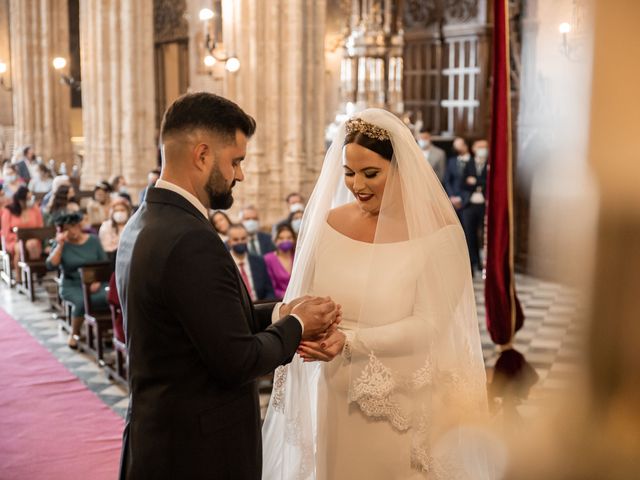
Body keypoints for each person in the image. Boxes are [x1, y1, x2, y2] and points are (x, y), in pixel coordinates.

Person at [115, 92, 341, 479]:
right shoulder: (189, 238)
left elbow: (208, 321)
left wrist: (280, 311)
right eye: (235, 161)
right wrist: (298, 325)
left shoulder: (145, 221)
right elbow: (238, 360)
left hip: (160, 437)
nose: (240, 174)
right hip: (198, 454)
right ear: (202, 155)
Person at [263, 109, 491, 479]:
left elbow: (429, 323)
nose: (357, 185)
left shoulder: (440, 234)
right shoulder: (327, 223)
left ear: (403, 170)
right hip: (330, 387)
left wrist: (350, 340)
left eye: (371, 173)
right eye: (349, 173)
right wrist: (305, 330)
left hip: (399, 398)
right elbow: (303, 298)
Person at [46, 212, 109, 349]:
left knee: (110, 296)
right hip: (72, 285)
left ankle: (106, 331)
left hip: (95, 282)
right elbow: (51, 265)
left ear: (79, 226)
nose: (72, 231)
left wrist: (97, 281)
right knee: (82, 302)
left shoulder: (93, 240)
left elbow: (104, 264)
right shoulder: (61, 244)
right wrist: (60, 245)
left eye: (74, 227)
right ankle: (75, 334)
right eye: (67, 228)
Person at [1, 186, 44, 278]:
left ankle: (33, 273)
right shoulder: (8, 211)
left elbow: (40, 226)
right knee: (21, 248)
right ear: (21, 200)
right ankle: (19, 276)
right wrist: (20, 237)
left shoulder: (34, 209)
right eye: (28, 198)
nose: (30, 201)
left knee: (31, 244)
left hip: (32, 238)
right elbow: (6, 233)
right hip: (14, 240)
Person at [227, 223, 276, 301]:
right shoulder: (226, 264)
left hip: (260, 306)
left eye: (243, 238)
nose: (240, 242)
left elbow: (269, 291)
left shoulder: (259, 261)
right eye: (236, 240)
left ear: (247, 239)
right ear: (229, 242)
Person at [462, 139, 489, 274]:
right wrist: (477, 183)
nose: (483, 149)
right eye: (480, 147)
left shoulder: (490, 164)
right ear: (474, 148)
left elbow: (488, 182)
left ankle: (484, 263)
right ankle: (474, 262)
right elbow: (464, 182)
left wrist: (476, 181)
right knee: (470, 234)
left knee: (484, 234)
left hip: (485, 204)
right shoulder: (469, 163)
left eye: (485, 147)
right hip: (469, 204)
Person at [263, 223, 296, 299]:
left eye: (289, 238)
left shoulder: (298, 257)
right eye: (281, 238)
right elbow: (270, 286)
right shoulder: (268, 259)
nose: (285, 241)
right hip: (278, 300)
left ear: (294, 239)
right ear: (275, 240)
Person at [444, 136, 472, 218]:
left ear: (465, 145)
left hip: (468, 202)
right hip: (453, 200)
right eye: (455, 146)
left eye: (458, 145)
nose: (456, 148)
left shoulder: (473, 161)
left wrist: (464, 199)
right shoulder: (451, 161)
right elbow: (447, 180)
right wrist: (452, 196)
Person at [98, 196, 131, 266]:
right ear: (112, 213)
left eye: (122, 210)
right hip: (112, 260)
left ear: (128, 211)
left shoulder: (132, 225)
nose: (119, 213)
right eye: (116, 211)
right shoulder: (106, 226)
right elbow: (106, 247)